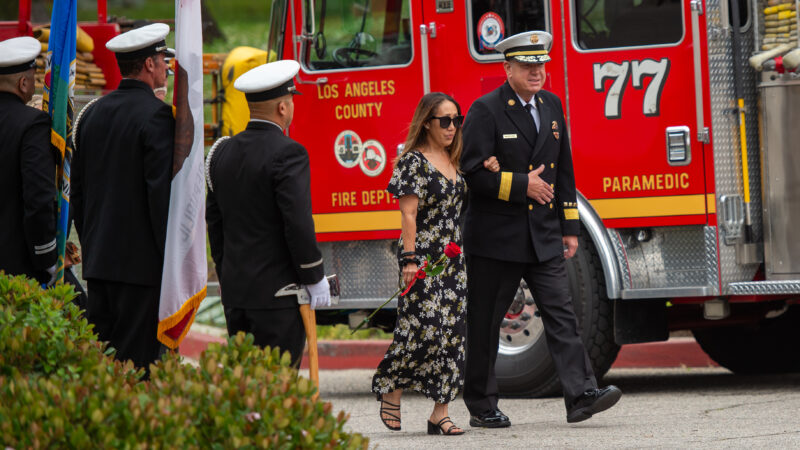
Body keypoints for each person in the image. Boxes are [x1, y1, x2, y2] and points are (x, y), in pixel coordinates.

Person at [460, 31, 622, 427]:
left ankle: (581, 395)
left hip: (543, 234)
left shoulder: (551, 105)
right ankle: (482, 406)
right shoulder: (486, 110)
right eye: (528, 65)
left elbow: (563, 170)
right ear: (507, 68)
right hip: (497, 239)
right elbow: (473, 175)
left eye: (541, 65)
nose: (537, 72)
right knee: (485, 322)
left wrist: (569, 226)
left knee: (562, 314)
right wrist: (522, 185)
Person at [205, 60, 330, 367]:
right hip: (278, 295)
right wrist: (314, 275)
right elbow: (297, 222)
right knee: (279, 385)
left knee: (246, 385)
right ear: (283, 108)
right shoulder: (289, 152)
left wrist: (226, 275)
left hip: (236, 295)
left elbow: (215, 223)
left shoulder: (221, 152)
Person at [72, 23, 175, 372]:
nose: (166, 69)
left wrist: (92, 244)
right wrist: (170, 260)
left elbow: (80, 194)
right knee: (139, 369)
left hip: (100, 265)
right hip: (141, 271)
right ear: (149, 64)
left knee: (105, 366)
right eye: (163, 61)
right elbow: (159, 197)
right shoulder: (158, 115)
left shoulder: (93, 115)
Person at [372, 92, 470, 436]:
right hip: (424, 259)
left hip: (452, 263)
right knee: (421, 330)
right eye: (445, 120)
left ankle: (439, 413)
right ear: (427, 122)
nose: (452, 127)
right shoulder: (413, 161)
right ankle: (392, 386)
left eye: (457, 120)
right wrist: (410, 260)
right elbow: (408, 214)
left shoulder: (454, 157)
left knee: (452, 335)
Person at [0, 37, 57, 286]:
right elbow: (38, 199)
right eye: (34, 78)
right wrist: (47, 259)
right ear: (23, 84)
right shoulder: (31, 124)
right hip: (15, 267)